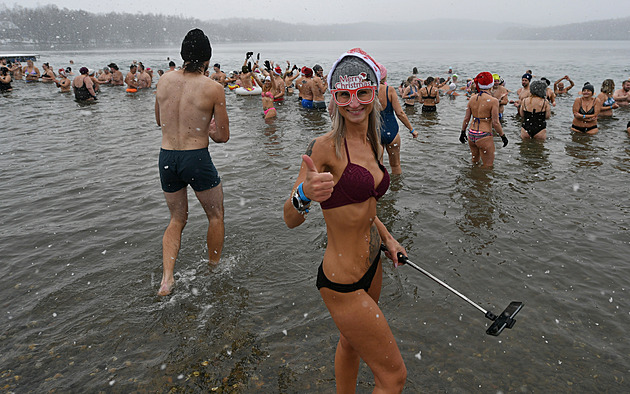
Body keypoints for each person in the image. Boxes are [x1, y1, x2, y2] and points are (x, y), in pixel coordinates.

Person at [283, 48, 407, 393]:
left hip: (373, 265)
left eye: (363, 93)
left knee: (351, 343)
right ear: (334, 99)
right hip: (342, 283)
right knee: (394, 379)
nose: (355, 104)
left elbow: (367, 208)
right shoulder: (324, 148)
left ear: (374, 94)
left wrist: (388, 238)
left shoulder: (373, 141)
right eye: (344, 95)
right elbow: (290, 218)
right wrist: (305, 194)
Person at [154, 28, 230, 296]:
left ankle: (166, 279)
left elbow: (158, 120)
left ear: (183, 54)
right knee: (215, 215)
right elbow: (223, 136)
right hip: (195, 157)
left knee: (176, 219)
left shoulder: (163, 80)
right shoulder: (213, 88)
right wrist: (207, 129)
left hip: (167, 156)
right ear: (208, 58)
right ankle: (213, 269)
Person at [460, 72, 508, 168]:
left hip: (471, 134)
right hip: (484, 135)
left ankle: (472, 181)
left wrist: (462, 132)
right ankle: (482, 181)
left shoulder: (472, 99)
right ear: (490, 84)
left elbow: (466, 118)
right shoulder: (493, 101)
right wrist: (503, 136)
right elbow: (495, 122)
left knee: (474, 162)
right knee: (488, 166)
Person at [377, 62, 417, 175]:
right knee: (395, 165)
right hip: (391, 131)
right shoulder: (389, 90)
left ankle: (380, 191)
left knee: (378, 166)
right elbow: (400, 113)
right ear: (384, 76)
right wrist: (412, 130)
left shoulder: (368, 91)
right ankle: (396, 189)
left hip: (374, 132)